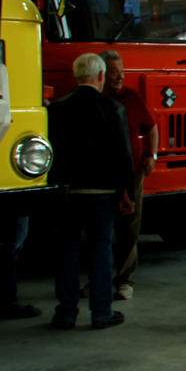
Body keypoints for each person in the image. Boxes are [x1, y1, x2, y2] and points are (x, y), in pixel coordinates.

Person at [46, 52, 133, 331]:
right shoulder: (112, 108)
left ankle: (65, 313)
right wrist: (127, 191)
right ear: (101, 76)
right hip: (101, 191)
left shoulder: (55, 108)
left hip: (66, 192)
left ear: (76, 75)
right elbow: (123, 154)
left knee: (66, 252)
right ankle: (101, 312)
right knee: (101, 250)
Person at [101, 50, 156, 301]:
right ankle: (98, 280)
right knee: (100, 229)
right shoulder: (93, 99)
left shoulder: (132, 97)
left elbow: (151, 127)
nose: (120, 77)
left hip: (132, 173)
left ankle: (124, 280)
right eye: (114, 72)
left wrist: (150, 154)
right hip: (100, 176)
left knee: (129, 229)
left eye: (121, 71)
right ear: (101, 73)